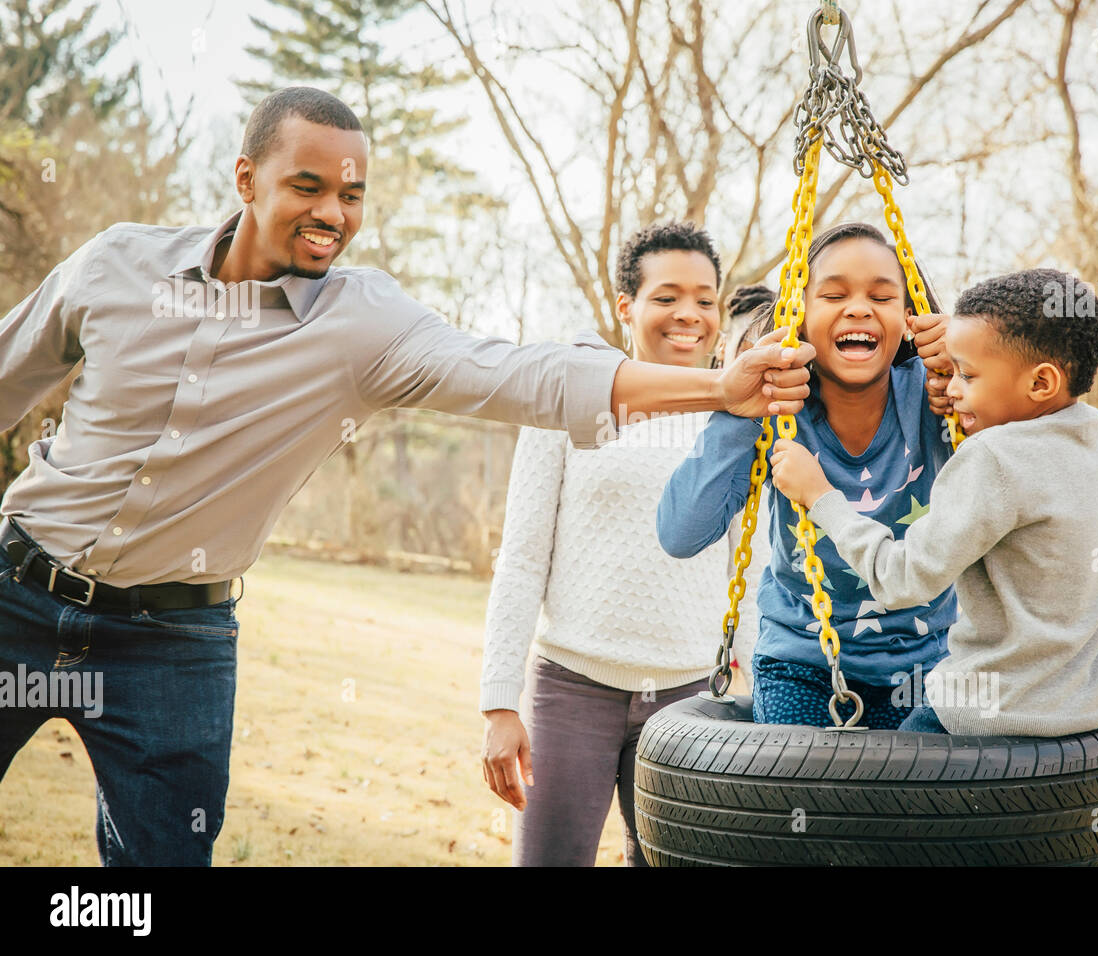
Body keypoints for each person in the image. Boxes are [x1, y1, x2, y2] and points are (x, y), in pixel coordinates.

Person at [0, 87, 813, 866]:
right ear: (245, 179)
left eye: (352, 195)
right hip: (18, 596)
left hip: (173, 646)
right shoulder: (115, 267)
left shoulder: (362, 326)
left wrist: (717, 387)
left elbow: (525, 375)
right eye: (309, 186)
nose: (333, 214)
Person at [480, 222, 769, 867]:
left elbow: (748, 567)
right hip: (572, 690)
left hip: (694, 700)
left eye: (704, 299)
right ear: (626, 306)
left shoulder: (740, 417)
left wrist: (748, 680)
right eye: (666, 297)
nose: (688, 315)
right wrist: (500, 703)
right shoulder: (569, 404)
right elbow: (522, 558)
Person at [770, 267, 1098, 736]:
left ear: (1041, 384)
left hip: (971, 718)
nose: (950, 388)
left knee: (868, 803)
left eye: (967, 374)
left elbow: (900, 579)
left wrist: (821, 496)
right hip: (1078, 718)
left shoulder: (993, 457)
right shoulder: (1095, 439)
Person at [658, 221, 955, 728]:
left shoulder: (937, 397)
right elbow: (680, 533)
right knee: (803, 799)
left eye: (881, 297)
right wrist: (739, 411)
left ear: (910, 319)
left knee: (911, 802)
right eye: (834, 293)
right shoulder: (779, 410)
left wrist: (974, 370)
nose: (858, 308)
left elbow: (1082, 455)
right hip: (800, 663)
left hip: (924, 666)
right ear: (799, 316)